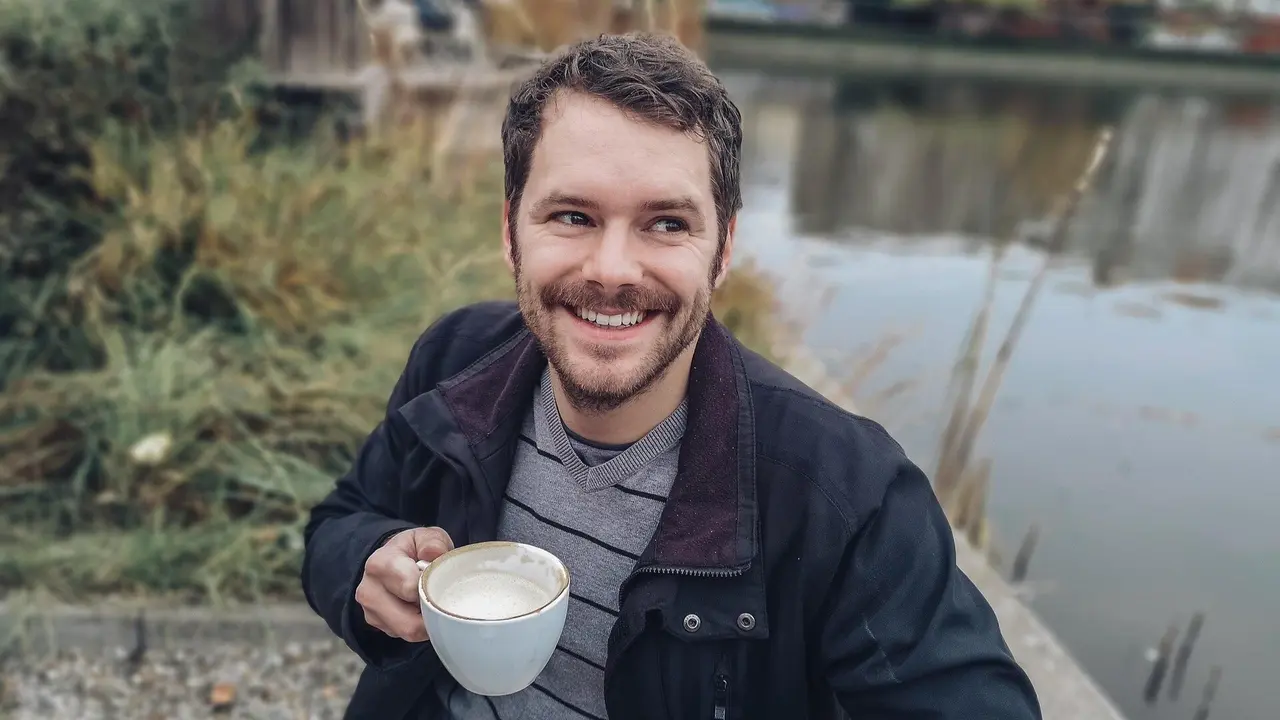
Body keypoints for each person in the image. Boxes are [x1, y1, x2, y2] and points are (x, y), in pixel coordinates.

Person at [302, 32, 1043, 720]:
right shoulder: (455, 361)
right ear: (509, 232)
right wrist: (367, 567)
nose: (612, 271)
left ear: (722, 251)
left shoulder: (844, 496)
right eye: (571, 216)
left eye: (666, 224)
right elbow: (342, 519)